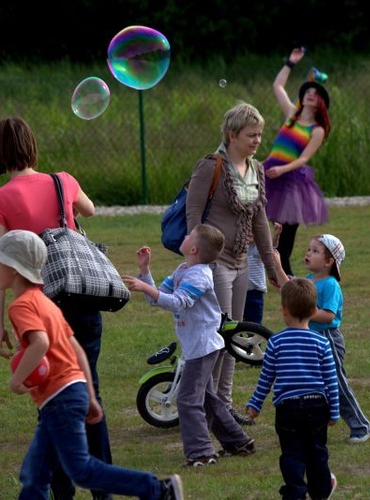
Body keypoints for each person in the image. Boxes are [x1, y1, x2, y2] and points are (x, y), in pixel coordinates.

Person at [0, 230, 183, 499]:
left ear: (15, 270)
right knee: (35, 475)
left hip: (60, 399)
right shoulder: (47, 303)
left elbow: (40, 344)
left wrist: (16, 379)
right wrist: (89, 395)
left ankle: (157, 490)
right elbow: (76, 349)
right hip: (71, 392)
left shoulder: (21, 306)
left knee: (82, 470)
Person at [0, 116, 112, 500]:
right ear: (31, 145)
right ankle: (102, 490)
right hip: (81, 298)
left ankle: (63, 491)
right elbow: (90, 210)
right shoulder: (64, 181)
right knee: (91, 393)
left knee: (53, 400)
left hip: (39, 308)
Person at [122, 224, 256, 467]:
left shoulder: (199, 275)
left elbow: (178, 303)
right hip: (196, 344)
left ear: (193, 248)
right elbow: (158, 299)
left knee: (187, 399)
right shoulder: (184, 268)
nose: (183, 236)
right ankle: (239, 442)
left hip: (203, 347)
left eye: (188, 235)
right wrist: (145, 271)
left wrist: (145, 287)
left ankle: (201, 453)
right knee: (207, 399)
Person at [185, 102, 279, 426]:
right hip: (215, 264)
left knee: (232, 338)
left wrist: (272, 266)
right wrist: (195, 264)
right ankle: (209, 408)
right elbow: (193, 217)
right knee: (218, 339)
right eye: (251, 135)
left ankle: (222, 406)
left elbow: (260, 221)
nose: (257, 140)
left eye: (260, 135)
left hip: (241, 265)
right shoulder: (210, 167)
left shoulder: (256, 169)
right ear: (232, 135)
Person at [272, 233, 370, 443]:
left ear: (329, 262)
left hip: (328, 339)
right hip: (309, 338)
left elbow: (328, 316)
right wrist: (278, 266)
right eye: (309, 249)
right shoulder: (308, 281)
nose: (308, 253)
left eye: (315, 251)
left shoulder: (330, 285)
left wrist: (306, 311)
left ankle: (360, 425)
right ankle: (311, 425)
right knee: (311, 384)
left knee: (335, 383)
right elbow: (290, 290)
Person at [246, 278, 339, 500]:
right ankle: (321, 491)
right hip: (317, 405)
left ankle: (295, 492)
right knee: (317, 451)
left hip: (287, 408)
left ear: (284, 310)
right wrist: (334, 410)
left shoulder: (276, 342)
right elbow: (331, 380)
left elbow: (266, 378)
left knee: (291, 453)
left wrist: (255, 403)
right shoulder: (321, 343)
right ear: (314, 311)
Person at [262, 47, 331, 277]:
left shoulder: (317, 130)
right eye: (308, 91)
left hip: (291, 180)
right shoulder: (292, 115)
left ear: (321, 101)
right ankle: (259, 268)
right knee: (255, 220)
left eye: (316, 92)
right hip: (270, 172)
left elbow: (304, 158)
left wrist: (282, 169)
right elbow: (277, 86)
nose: (311, 94)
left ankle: (285, 274)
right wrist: (290, 63)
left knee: (286, 233)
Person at [244, 222, 282, 326]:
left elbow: (270, 247)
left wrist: (276, 234)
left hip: (256, 292)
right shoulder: (239, 248)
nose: (250, 233)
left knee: (255, 323)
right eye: (247, 230)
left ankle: (255, 340)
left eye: (253, 231)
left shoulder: (259, 248)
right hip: (240, 291)